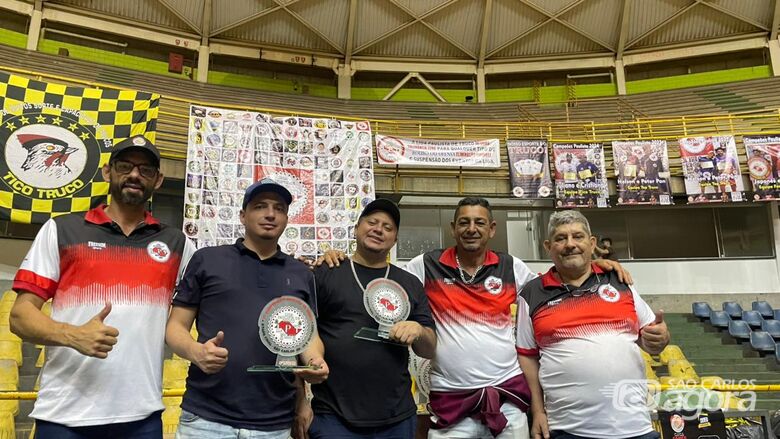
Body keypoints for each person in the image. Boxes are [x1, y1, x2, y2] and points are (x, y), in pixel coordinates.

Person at [320, 197, 632, 439]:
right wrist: (338, 257)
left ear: (491, 229)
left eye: (480, 223)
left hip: (508, 400)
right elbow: (383, 275)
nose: (472, 228)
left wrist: (595, 265)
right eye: (465, 222)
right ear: (453, 228)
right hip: (451, 403)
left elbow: (555, 283)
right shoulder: (425, 265)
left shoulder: (511, 267)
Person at [10, 135, 194, 438]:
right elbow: (19, 316)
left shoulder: (177, 243)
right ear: (108, 172)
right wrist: (72, 335)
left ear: (158, 180)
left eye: (146, 170)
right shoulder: (62, 229)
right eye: (125, 166)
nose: (135, 174)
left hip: (142, 418)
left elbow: (196, 308)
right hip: (64, 418)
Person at [166, 178, 329, 439]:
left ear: (286, 219)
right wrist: (196, 352)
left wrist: (315, 361)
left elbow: (308, 336)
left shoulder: (301, 273)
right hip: (205, 419)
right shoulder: (208, 260)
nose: (270, 214)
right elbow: (175, 327)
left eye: (279, 208)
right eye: (260, 206)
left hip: (274, 423)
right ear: (243, 216)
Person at [516, 210, 669, 439]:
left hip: (635, 427)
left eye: (578, 236)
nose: (570, 244)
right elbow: (527, 357)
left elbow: (652, 340)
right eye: (561, 238)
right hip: (567, 430)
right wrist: (537, 411)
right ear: (548, 246)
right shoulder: (531, 293)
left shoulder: (620, 282)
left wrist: (661, 338)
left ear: (592, 243)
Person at [297, 199, 437, 439]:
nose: (378, 229)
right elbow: (304, 332)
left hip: (397, 418)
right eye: (372, 222)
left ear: (395, 239)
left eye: (387, 227)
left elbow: (429, 348)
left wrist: (419, 330)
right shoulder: (327, 272)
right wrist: (302, 394)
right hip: (334, 416)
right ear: (356, 229)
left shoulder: (409, 283)